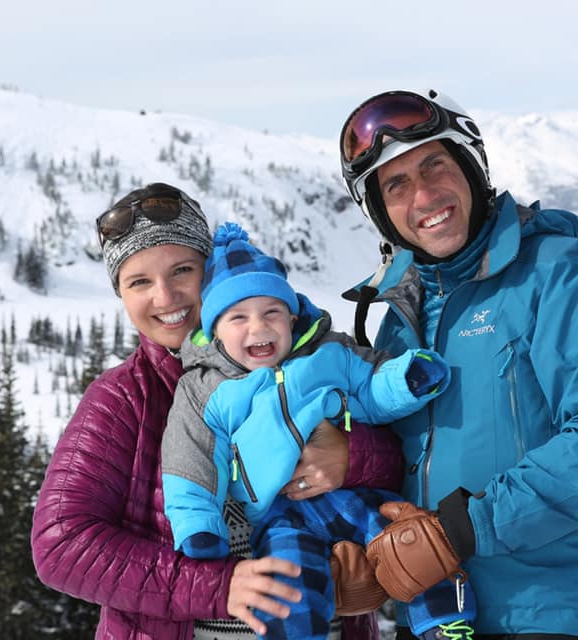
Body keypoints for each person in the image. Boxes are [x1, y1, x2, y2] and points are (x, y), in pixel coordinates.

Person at [336, 89, 578, 640]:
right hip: (435, 615)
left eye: (434, 164)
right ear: (381, 213)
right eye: (396, 185)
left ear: (469, 166)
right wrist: (363, 547)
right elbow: (403, 461)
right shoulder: (400, 319)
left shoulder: (561, 274)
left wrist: (466, 528)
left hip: (545, 613)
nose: (424, 195)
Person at [31, 182, 402, 640]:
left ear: (212, 274)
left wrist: (352, 455)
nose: (165, 298)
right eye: (140, 282)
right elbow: (62, 544)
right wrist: (216, 586)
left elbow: (404, 448)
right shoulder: (123, 399)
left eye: (182, 270)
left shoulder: (302, 359)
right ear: (121, 295)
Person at [161, 221, 476, 640]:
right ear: (214, 331)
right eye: (237, 318)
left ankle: (446, 624)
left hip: (355, 494)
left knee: (411, 545)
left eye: (271, 312)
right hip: (280, 511)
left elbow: (371, 385)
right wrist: (198, 526)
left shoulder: (328, 353)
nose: (258, 328)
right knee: (289, 584)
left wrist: (407, 379)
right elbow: (191, 460)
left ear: (292, 317)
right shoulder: (206, 389)